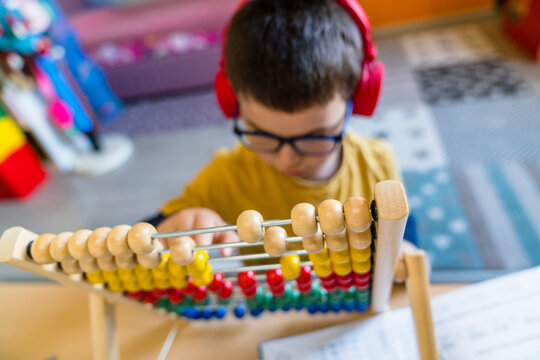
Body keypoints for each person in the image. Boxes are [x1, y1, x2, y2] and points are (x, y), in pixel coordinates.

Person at [148, 0, 417, 259]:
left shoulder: (379, 167)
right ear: (233, 101)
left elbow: (407, 241)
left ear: (357, 101)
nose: (288, 159)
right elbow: (147, 237)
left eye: (315, 136)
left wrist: (409, 257)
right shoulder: (222, 180)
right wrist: (176, 229)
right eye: (262, 134)